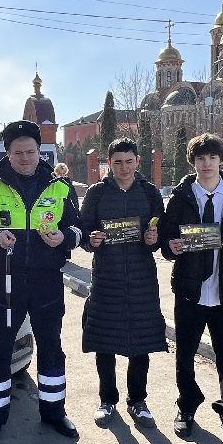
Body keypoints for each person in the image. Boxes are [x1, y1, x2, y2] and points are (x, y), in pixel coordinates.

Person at [0, 119, 83, 444]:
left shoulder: (61, 186)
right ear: (8, 153)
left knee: (52, 349)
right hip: (4, 284)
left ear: (39, 151)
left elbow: (79, 229)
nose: (25, 158)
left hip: (46, 283)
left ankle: (54, 412)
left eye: (30, 151)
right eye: (18, 153)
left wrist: (64, 238)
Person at [159, 132, 223, 444]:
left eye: (212, 157)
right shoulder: (181, 195)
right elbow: (167, 238)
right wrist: (172, 246)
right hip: (190, 290)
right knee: (184, 355)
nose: (207, 163)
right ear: (193, 162)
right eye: (201, 158)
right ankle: (186, 406)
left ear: (220, 159)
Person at [78, 137, 166, 428]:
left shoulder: (150, 193)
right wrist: (91, 241)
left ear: (138, 161)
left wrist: (154, 240)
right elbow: (83, 230)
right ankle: (107, 400)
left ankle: (138, 401)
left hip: (142, 279)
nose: (124, 167)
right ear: (109, 163)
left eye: (129, 161)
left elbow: (160, 232)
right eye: (118, 162)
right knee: (105, 341)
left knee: (141, 342)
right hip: (107, 278)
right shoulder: (97, 193)